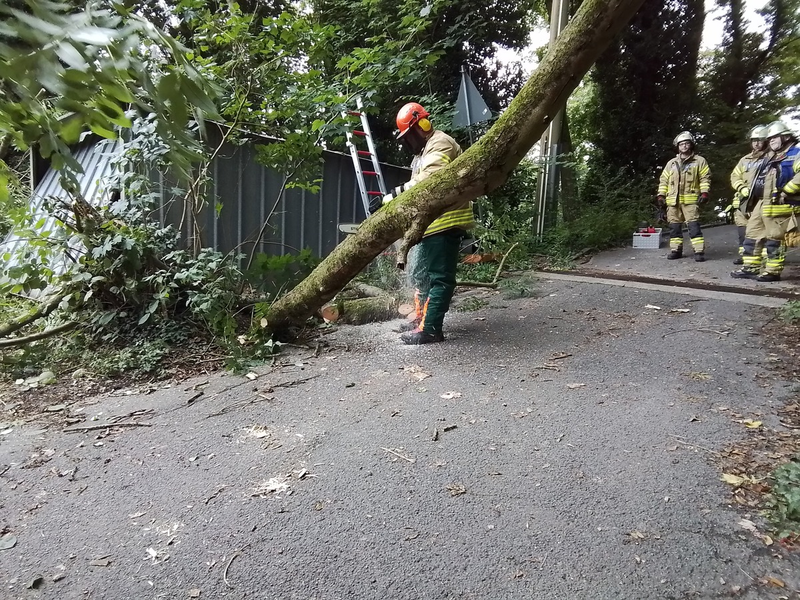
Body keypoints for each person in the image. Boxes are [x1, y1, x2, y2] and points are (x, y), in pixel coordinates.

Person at [382, 102, 474, 345]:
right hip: (430, 223)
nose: (408, 142)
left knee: (439, 278)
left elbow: (429, 180)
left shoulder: (440, 142)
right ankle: (421, 320)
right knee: (420, 276)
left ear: (422, 125)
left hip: (446, 220)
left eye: (409, 136)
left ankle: (431, 329)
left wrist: (391, 196)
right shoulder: (423, 152)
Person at [732, 120, 800, 282]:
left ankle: (772, 271)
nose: (771, 141)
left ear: (786, 137)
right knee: (752, 233)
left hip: (782, 204)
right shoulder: (770, 156)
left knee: (775, 237)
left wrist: (786, 191)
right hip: (763, 202)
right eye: (769, 139)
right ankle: (751, 267)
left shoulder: (796, 153)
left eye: (774, 138)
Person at [656, 131, 711, 261]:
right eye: (682, 144)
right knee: (674, 229)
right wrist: (661, 195)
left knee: (694, 228)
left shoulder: (699, 161)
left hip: (691, 202)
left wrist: (704, 192)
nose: (684, 146)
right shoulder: (671, 163)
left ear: (691, 145)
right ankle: (676, 251)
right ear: (678, 146)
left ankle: (698, 252)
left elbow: (705, 178)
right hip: (673, 202)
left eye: (687, 144)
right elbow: (664, 180)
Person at [729, 125, 768, 265]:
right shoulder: (744, 160)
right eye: (754, 140)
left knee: (762, 229)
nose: (756, 143)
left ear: (766, 141)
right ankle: (745, 255)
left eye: (760, 140)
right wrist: (741, 187)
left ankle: (764, 255)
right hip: (743, 201)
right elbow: (735, 176)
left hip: (761, 199)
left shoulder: (769, 158)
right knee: (742, 230)